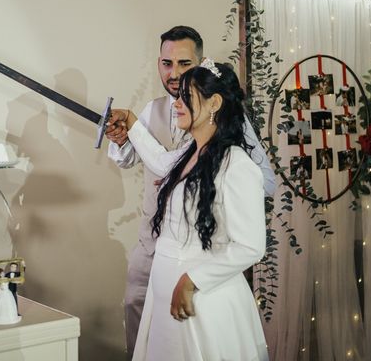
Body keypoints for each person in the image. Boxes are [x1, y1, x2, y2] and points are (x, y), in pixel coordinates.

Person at [105, 25, 275, 357]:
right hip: (156, 262)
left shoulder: (235, 162)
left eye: (184, 65)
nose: (177, 102)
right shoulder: (180, 148)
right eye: (167, 64)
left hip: (198, 271)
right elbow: (155, 160)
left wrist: (211, 192)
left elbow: (252, 241)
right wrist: (128, 125)